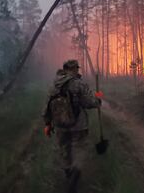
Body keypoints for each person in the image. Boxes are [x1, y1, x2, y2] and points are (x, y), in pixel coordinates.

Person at [42, 59, 101, 192]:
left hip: (60, 126)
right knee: (79, 149)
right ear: (72, 69)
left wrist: (47, 124)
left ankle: (68, 172)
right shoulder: (78, 84)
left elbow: (47, 106)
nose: (77, 71)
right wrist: (98, 100)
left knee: (64, 150)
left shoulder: (54, 84)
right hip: (78, 125)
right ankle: (74, 175)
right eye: (76, 68)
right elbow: (88, 102)